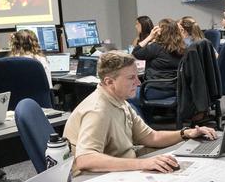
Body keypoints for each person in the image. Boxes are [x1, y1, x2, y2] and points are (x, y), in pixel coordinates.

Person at [61, 50, 216, 173]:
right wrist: (143, 163)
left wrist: (185, 133)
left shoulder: (119, 101)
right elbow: (85, 159)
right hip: (96, 179)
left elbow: (152, 137)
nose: (138, 82)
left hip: (122, 165)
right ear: (109, 82)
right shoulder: (98, 111)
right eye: (131, 78)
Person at [130, 17, 185, 111]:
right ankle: (148, 119)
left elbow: (135, 52)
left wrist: (150, 37)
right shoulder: (183, 48)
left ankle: (144, 123)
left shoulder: (157, 47)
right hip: (175, 89)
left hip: (156, 89)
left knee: (124, 95)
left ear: (160, 31)